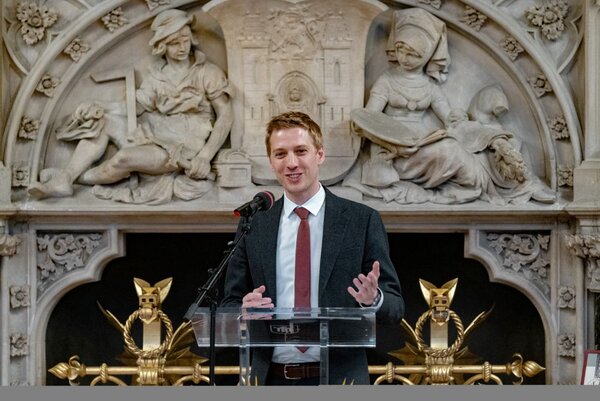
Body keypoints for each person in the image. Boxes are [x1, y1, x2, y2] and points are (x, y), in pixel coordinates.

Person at [221, 111, 404, 385]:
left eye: (301, 151)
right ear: (271, 161)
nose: (291, 163)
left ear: (319, 154)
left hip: (341, 380)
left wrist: (372, 299)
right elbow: (230, 304)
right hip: (269, 379)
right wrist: (242, 311)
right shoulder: (255, 224)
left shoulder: (361, 221)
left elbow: (395, 307)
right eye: (280, 154)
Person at [345, 8, 555, 205]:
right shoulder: (387, 80)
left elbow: (450, 120)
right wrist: (387, 140)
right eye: (400, 50)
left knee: (460, 149)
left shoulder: (430, 87)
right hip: (393, 151)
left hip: (422, 144)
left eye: (413, 54)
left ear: (427, 55)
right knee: (450, 149)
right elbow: (370, 117)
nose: (404, 58)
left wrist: (479, 132)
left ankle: (520, 183)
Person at [28, 9, 233, 204]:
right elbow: (135, 107)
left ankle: (72, 178)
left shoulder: (207, 72)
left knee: (124, 158)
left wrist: (205, 156)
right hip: (155, 134)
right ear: (162, 45)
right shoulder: (157, 76)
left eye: (186, 40)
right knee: (102, 121)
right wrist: (99, 106)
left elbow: (225, 114)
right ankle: (66, 178)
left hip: (182, 149)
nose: (182, 48)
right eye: (174, 43)